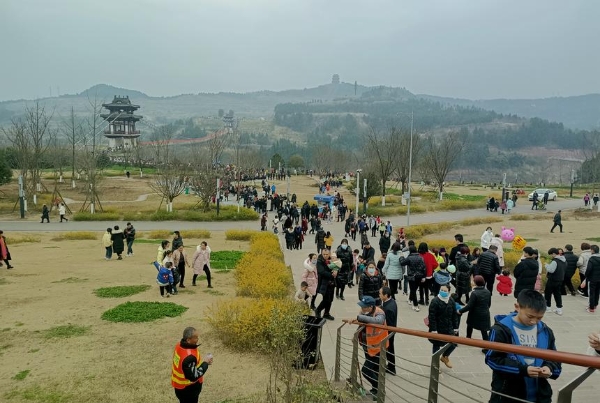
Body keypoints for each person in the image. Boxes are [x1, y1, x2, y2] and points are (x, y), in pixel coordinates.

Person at [485, 290, 561, 403]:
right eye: (530, 316)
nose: (534, 321)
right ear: (517, 307)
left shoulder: (545, 331)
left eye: (539, 318)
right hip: (508, 394)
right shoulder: (500, 330)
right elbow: (492, 359)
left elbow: (555, 358)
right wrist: (522, 370)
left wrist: (549, 368)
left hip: (540, 394)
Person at [346, 296, 388, 397]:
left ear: (370, 307)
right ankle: (376, 390)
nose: (362, 308)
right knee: (375, 369)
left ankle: (379, 389)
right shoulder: (364, 312)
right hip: (368, 346)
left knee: (366, 370)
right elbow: (361, 325)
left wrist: (358, 317)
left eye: (364, 307)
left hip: (378, 347)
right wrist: (355, 334)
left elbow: (378, 321)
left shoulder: (379, 312)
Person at [172, 327, 213, 403]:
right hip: (188, 391)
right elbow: (194, 376)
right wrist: (206, 363)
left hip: (179, 387)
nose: (198, 339)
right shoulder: (189, 357)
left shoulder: (179, 346)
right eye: (195, 338)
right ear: (188, 340)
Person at [428, 284, 459, 368]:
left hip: (448, 327)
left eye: (445, 291)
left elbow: (454, 315)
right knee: (436, 346)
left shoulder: (451, 300)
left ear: (449, 291)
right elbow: (432, 316)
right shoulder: (435, 301)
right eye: (441, 290)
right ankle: (435, 365)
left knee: (453, 343)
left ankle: (445, 356)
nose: (442, 292)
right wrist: (434, 330)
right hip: (437, 328)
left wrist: (456, 327)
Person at [459, 275, 491, 350]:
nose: (472, 282)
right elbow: (489, 304)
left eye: (473, 281)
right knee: (484, 330)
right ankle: (487, 346)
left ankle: (468, 339)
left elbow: (469, 306)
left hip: (475, 313)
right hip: (485, 313)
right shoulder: (488, 292)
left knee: (470, 325)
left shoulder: (474, 293)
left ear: (476, 283)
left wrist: (460, 311)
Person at [400, 244, 426, 312]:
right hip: (419, 276)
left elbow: (402, 263)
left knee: (413, 290)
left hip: (412, 276)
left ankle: (415, 305)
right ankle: (410, 299)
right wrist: (424, 276)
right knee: (415, 289)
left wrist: (401, 257)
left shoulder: (409, 258)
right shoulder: (421, 257)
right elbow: (424, 268)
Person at [380, 286, 398, 375]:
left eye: (380, 294)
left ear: (386, 295)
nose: (379, 295)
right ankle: (391, 366)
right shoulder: (390, 302)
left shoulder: (389, 308)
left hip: (389, 332)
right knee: (390, 348)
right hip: (390, 331)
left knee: (390, 349)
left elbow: (390, 323)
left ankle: (391, 368)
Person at [315, 248, 336, 321]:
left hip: (332, 283)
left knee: (330, 299)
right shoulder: (319, 261)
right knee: (326, 299)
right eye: (324, 254)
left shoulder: (332, 260)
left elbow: (337, 267)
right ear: (321, 253)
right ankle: (318, 310)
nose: (325, 255)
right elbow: (321, 272)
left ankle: (326, 313)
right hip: (324, 283)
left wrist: (336, 272)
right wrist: (331, 274)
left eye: (327, 254)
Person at [544, 247, 566, 315]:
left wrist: (546, 265)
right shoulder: (564, 260)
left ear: (554, 254)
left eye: (551, 254)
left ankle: (548, 307)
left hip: (552, 279)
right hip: (560, 279)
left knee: (548, 293)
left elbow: (551, 270)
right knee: (557, 294)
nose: (550, 256)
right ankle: (559, 309)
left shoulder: (555, 261)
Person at [583, 244, 600, 313]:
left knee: (591, 293)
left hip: (592, 278)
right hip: (599, 279)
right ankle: (595, 304)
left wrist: (586, 275)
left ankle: (591, 307)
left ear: (592, 250)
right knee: (597, 292)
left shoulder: (592, 259)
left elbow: (589, 269)